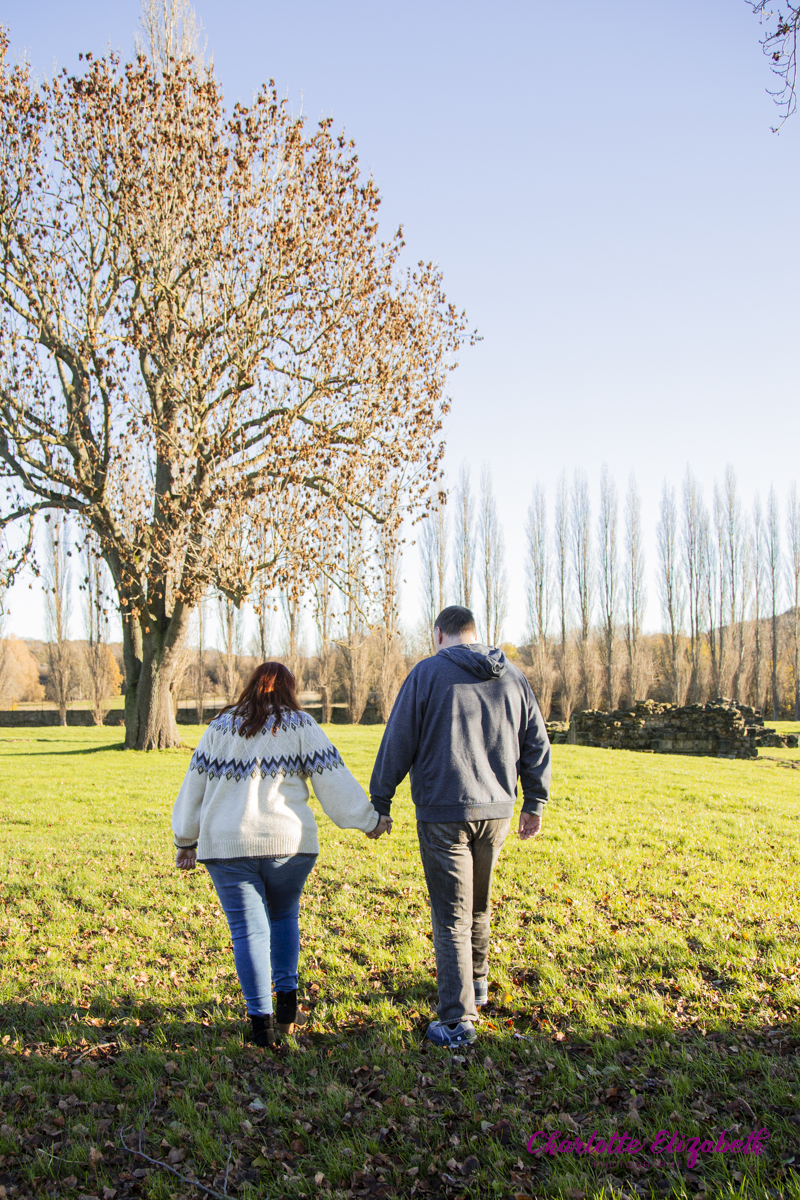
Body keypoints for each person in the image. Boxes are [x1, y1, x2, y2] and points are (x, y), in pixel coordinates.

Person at [172, 661, 391, 1047]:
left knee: (247, 933)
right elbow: (333, 779)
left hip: (227, 846)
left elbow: (194, 785)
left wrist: (185, 840)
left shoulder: (219, 728)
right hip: (289, 844)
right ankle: (288, 1009)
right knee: (285, 916)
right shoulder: (301, 725)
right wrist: (368, 820)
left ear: (251, 686)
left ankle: (262, 1027)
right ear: (289, 688)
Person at [369, 605, 550, 1048]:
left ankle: (455, 1021)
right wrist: (535, 800)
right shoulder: (512, 676)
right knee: (478, 907)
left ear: (438, 635)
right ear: (473, 633)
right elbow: (536, 741)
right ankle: (479, 987)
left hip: (444, 810)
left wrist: (380, 799)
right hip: (497, 812)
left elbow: (398, 739)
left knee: (451, 915)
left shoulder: (427, 674)